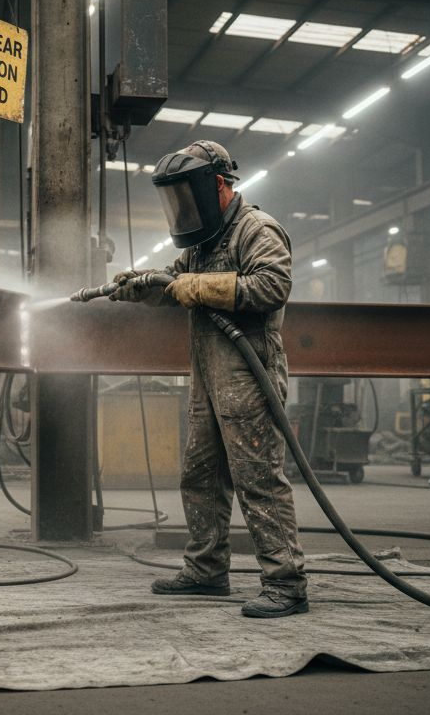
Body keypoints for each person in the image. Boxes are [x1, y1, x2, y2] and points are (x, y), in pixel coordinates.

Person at [110, 140, 308, 618]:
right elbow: (173, 284)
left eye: (187, 194)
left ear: (217, 184)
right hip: (207, 378)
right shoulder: (203, 242)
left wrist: (198, 285)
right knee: (200, 476)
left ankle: (286, 583)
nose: (183, 207)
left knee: (257, 479)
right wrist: (141, 285)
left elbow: (272, 285)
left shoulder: (256, 229)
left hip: (249, 375)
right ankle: (206, 569)